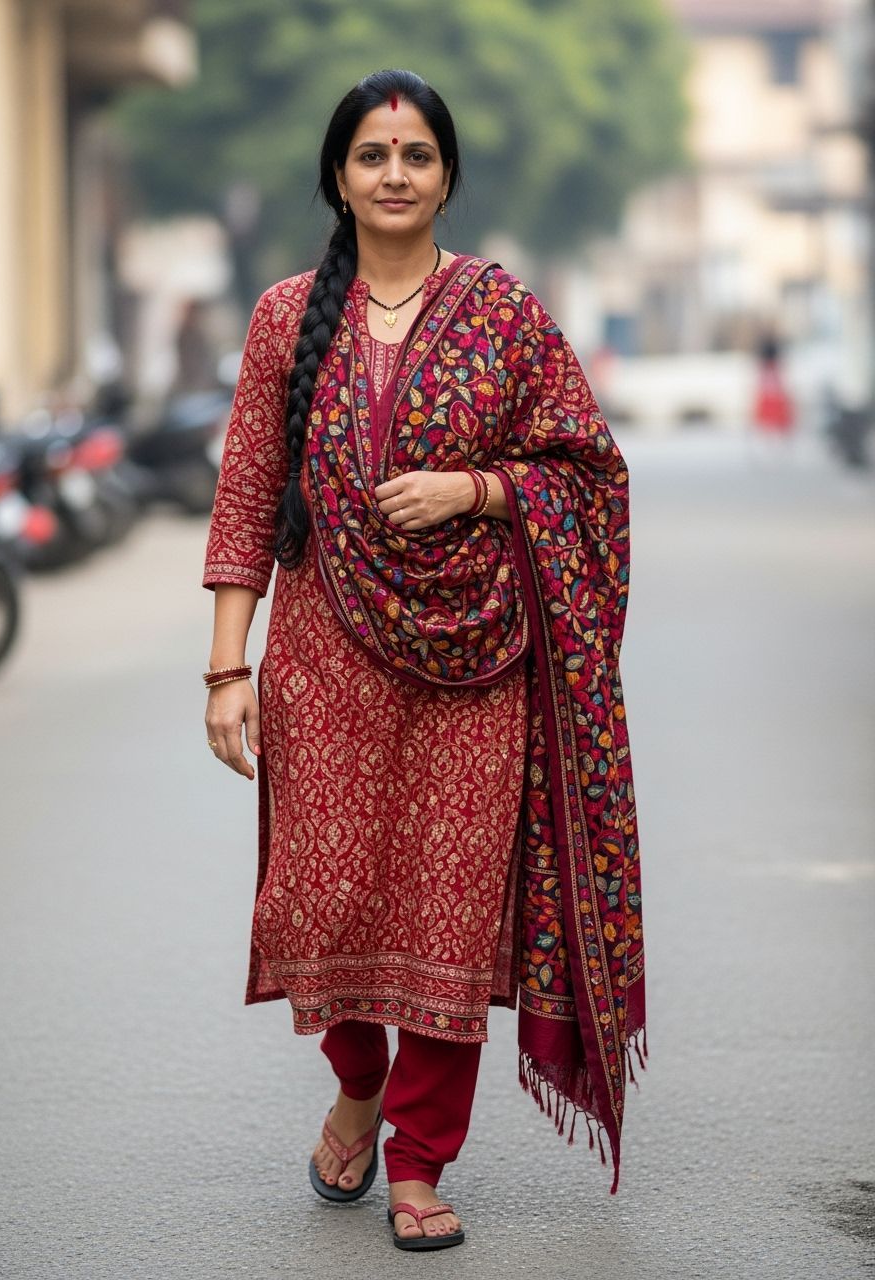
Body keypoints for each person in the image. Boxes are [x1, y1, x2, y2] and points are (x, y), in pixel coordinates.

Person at [203, 69, 644, 1253]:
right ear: (337, 179)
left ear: (446, 175)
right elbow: (247, 492)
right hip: (321, 656)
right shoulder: (287, 315)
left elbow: (586, 469)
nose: (393, 175)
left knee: (449, 912)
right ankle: (355, 1081)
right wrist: (225, 667)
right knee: (328, 897)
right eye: (370, 156)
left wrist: (478, 487)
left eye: (415, 156)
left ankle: (416, 1158)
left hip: (477, 659)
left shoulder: (503, 312)